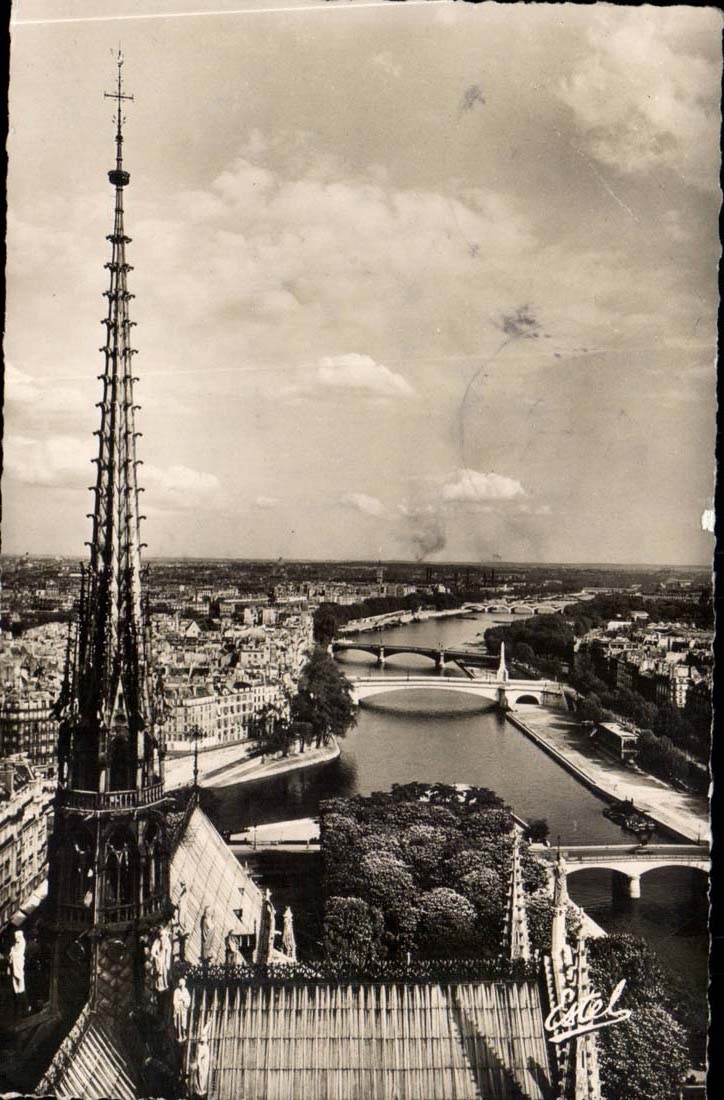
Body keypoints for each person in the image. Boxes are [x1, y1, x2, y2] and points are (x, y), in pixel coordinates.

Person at [8, 930, 28, 1018]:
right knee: (15, 986)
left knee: (21, 987)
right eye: (15, 937)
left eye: (17, 937)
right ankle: (17, 1005)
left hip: (19, 967)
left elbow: (18, 954)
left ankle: (23, 1007)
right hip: (14, 967)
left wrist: (12, 952)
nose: (16, 938)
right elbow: (11, 956)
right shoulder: (14, 945)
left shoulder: (22, 943)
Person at [191, 1022, 211, 1099]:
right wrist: (198, 1065)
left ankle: (201, 1090)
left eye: (205, 1036)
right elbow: (198, 1058)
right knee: (201, 1077)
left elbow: (205, 1031)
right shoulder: (201, 1047)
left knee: (203, 1077)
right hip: (201, 1066)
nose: (204, 1037)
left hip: (205, 1065)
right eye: (203, 1036)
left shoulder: (205, 1047)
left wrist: (209, 1023)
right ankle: (200, 1090)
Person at [173, 977, 191, 1043]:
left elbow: (188, 999)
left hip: (183, 1009)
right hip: (178, 1009)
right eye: (181, 985)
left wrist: (184, 1000)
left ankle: (184, 1035)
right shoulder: (176, 991)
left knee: (183, 1023)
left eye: (183, 985)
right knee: (178, 1023)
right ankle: (179, 1036)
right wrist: (177, 1006)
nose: (182, 986)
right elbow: (174, 1001)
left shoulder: (186, 991)